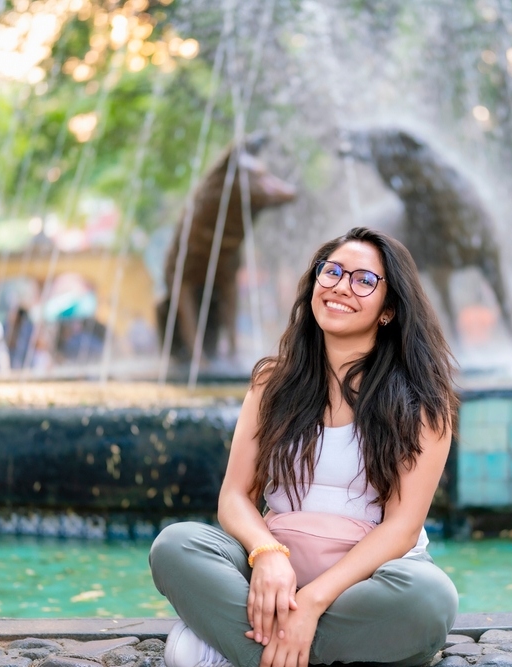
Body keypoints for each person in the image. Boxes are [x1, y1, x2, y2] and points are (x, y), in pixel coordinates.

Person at [149, 227, 459, 667]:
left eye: (363, 280)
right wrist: (268, 554)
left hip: (366, 581)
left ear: (389, 309)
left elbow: (402, 529)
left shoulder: (423, 402)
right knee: (175, 546)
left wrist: (312, 602)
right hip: (271, 572)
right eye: (331, 271)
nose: (340, 287)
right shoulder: (272, 383)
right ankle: (324, 652)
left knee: (430, 599)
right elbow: (235, 498)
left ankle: (246, 647)